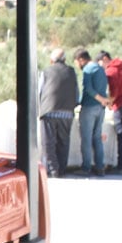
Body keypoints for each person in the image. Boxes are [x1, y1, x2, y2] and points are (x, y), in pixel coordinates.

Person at [38, 48, 77, 177]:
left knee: (48, 142)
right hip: (67, 112)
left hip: (49, 110)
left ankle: (53, 170)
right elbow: (76, 92)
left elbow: (39, 91)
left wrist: (39, 107)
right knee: (64, 142)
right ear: (65, 60)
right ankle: (62, 169)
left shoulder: (46, 72)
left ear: (51, 61)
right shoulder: (71, 72)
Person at [74, 48, 109, 176]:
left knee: (86, 139)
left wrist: (100, 99)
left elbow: (88, 88)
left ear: (81, 60)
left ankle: (86, 168)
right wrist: (103, 101)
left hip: (89, 107)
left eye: (76, 62)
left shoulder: (88, 70)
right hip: (101, 109)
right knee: (97, 138)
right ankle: (100, 167)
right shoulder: (101, 69)